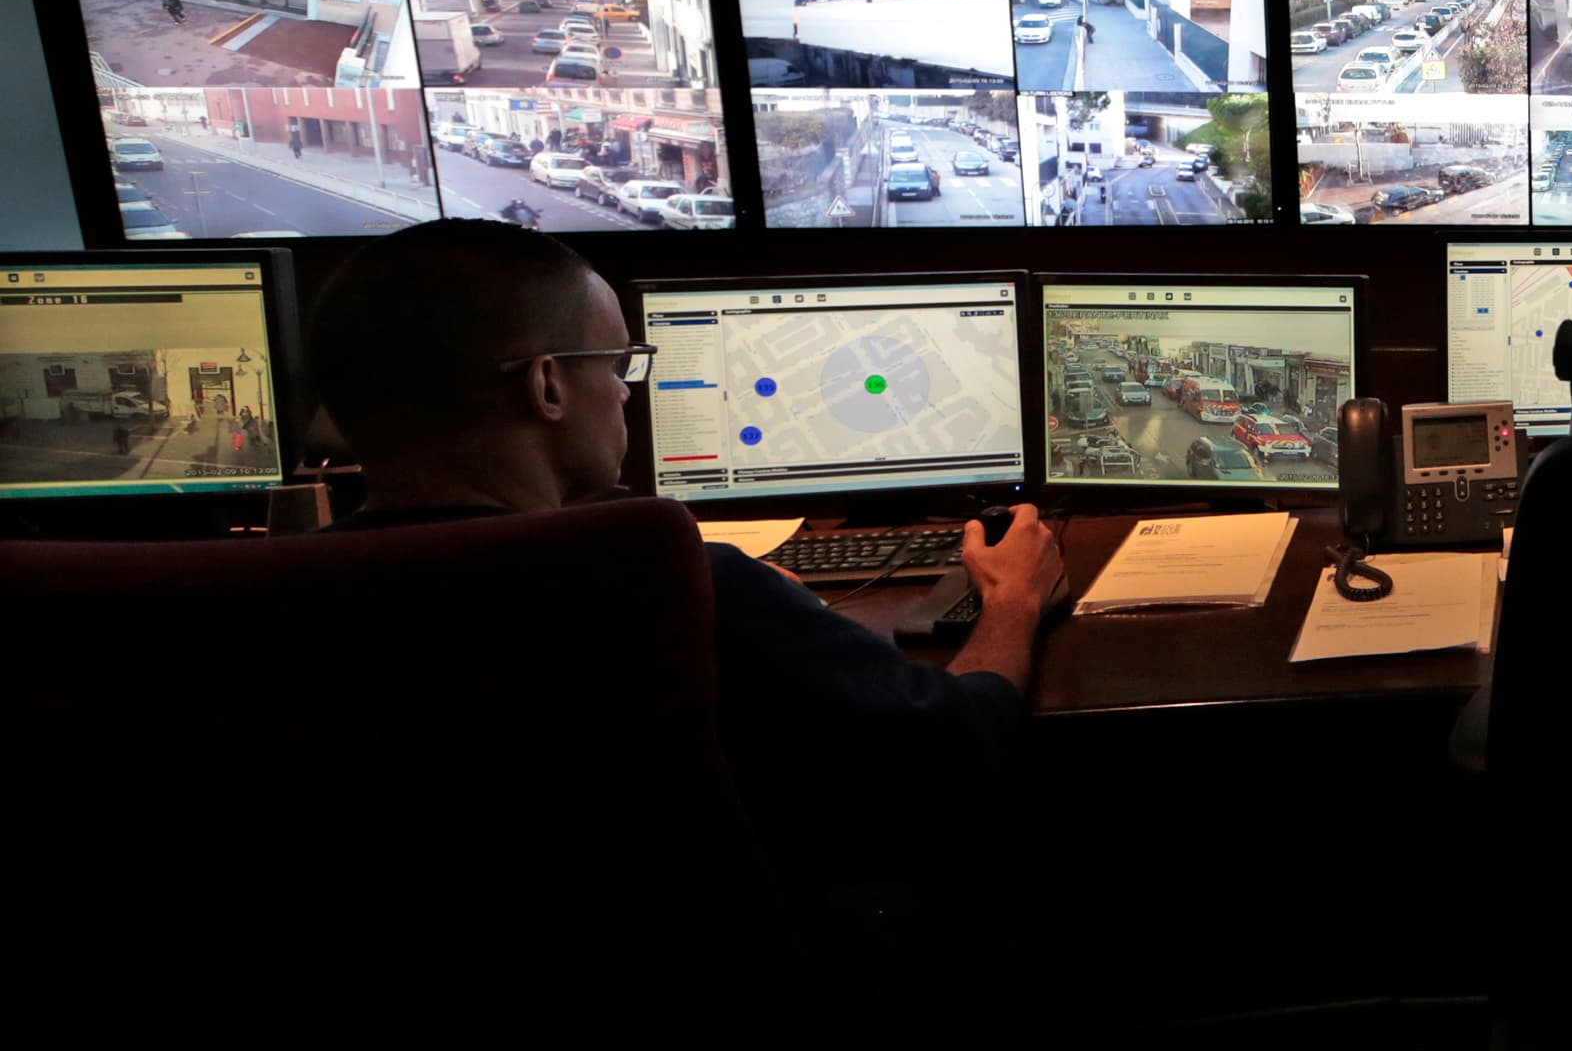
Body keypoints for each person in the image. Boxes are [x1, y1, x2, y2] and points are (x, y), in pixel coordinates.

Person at [305, 219, 1062, 886]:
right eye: (615, 364)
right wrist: (1011, 600)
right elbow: (948, 753)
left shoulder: (264, 608)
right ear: (547, 386)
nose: (627, 393)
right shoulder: (673, 587)